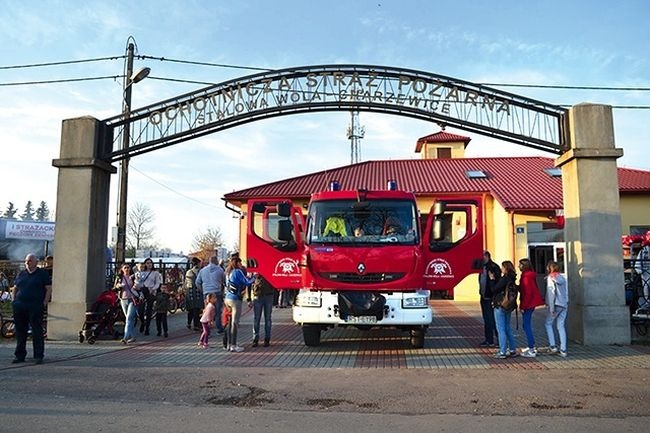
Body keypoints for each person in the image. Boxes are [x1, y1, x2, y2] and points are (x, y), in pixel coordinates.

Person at [11, 254, 51, 364]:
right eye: (26, 261)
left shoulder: (42, 274)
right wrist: (14, 300)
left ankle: (38, 355)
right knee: (20, 331)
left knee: (37, 330)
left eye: (29, 261)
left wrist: (45, 302)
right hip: (20, 305)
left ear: (35, 262)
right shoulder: (21, 274)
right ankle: (19, 355)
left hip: (35, 305)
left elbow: (48, 288)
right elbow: (15, 288)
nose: (27, 263)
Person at [224, 256, 256, 352]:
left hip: (227, 298)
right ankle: (233, 345)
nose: (241, 264)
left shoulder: (228, 272)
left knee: (229, 323)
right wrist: (254, 277)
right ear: (237, 263)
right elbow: (247, 282)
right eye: (240, 262)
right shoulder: (237, 272)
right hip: (235, 300)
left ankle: (228, 344)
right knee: (235, 323)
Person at [518, 258, 545, 357]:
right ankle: (530, 346)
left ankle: (532, 348)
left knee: (526, 326)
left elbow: (527, 293)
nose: (518, 266)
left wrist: (523, 306)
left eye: (520, 265)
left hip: (528, 304)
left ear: (524, 266)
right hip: (530, 303)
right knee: (526, 325)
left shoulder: (526, 277)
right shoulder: (528, 275)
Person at [491, 261, 519, 359]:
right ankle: (512, 350)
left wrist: (492, 280)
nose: (501, 269)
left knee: (501, 329)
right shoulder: (512, 278)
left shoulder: (504, 279)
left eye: (503, 267)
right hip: (509, 306)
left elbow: (494, 289)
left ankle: (502, 351)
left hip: (500, 305)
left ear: (506, 268)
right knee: (507, 328)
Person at [196, 255, 226, 333]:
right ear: (216, 261)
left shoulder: (202, 270)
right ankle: (219, 328)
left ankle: (206, 330)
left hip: (207, 293)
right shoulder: (220, 270)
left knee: (207, 312)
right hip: (217, 293)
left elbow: (197, 282)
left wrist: (203, 290)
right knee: (217, 311)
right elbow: (225, 281)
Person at [544, 261, 569, 357]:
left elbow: (551, 293)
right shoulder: (562, 277)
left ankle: (553, 346)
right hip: (564, 304)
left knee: (548, 323)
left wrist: (551, 308)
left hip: (556, 304)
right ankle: (563, 349)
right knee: (561, 326)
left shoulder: (551, 278)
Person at [134, 258, 163, 335]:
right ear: (145, 264)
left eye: (150, 263)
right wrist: (137, 286)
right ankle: (143, 322)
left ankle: (147, 328)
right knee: (140, 310)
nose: (149, 264)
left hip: (151, 292)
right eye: (147, 263)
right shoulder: (142, 273)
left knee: (148, 310)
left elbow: (158, 283)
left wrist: (153, 289)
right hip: (143, 291)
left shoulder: (155, 273)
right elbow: (138, 282)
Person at [478, 251, 501, 347]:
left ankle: (499, 340)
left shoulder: (493, 267)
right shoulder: (482, 267)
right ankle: (489, 340)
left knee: (493, 319)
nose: (480, 258)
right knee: (486, 319)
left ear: (486, 256)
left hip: (490, 297)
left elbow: (496, 282)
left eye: (482, 256)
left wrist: (493, 295)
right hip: (483, 296)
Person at [247, 274, 275, 347]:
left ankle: (267, 339)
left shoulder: (270, 269)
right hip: (258, 296)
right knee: (257, 319)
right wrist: (249, 298)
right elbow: (249, 283)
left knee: (268, 318)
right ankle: (255, 339)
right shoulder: (255, 270)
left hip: (269, 295)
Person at [114, 263, 139, 344]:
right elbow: (114, 287)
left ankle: (125, 337)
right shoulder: (119, 278)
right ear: (122, 269)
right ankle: (132, 336)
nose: (127, 269)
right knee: (129, 319)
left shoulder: (133, 277)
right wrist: (118, 286)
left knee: (129, 318)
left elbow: (139, 286)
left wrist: (136, 286)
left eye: (128, 268)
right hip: (123, 299)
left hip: (132, 299)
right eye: (125, 268)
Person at [184, 257, 203, 331]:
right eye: (200, 263)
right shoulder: (198, 272)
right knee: (196, 309)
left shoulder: (188, 272)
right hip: (196, 292)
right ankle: (196, 325)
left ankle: (189, 323)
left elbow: (186, 283)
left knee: (191, 309)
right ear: (197, 263)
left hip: (189, 292)